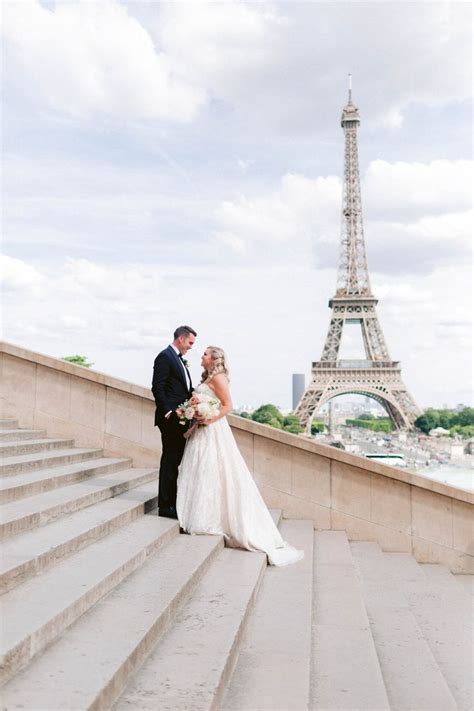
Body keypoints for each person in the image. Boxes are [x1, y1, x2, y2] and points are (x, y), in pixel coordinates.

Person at [177, 346, 304, 566]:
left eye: (205, 354)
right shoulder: (209, 378)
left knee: (212, 470)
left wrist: (209, 419)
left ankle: (210, 518)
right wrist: (195, 420)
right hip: (201, 431)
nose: (202, 356)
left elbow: (227, 406)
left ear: (215, 358)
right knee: (202, 470)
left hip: (213, 430)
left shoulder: (219, 378)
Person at [152, 326, 197, 519]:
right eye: (190, 343)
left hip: (181, 418)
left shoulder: (178, 359)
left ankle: (171, 502)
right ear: (180, 339)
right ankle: (166, 506)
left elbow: (183, 389)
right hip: (171, 420)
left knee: (174, 461)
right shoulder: (164, 357)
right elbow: (158, 387)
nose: (191, 347)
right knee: (170, 462)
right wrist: (170, 412)